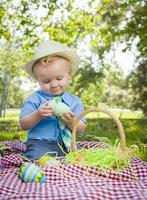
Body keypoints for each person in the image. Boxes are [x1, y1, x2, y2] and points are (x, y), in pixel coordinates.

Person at [19, 40, 86, 160]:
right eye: (46, 81)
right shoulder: (35, 99)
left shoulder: (74, 101)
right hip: (40, 143)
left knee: (80, 158)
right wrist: (38, 115)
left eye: (59, 78)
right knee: (36, 158)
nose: (54, 84)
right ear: (38, 80)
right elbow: (23, 125)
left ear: (69, 74)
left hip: (67, 144)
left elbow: (81, 129)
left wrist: (71, 121)